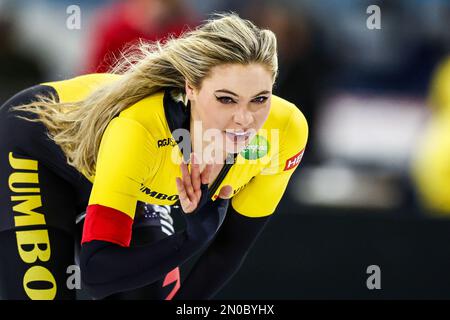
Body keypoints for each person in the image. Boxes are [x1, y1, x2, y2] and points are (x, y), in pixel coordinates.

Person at [0, 13, 308, 300]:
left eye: (259, 99)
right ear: (191, 89)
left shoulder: (284, 132)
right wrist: (190, 240)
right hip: (39, 150)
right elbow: (98, 273)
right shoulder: (141, 131)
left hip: (128, 174)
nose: (244, 119)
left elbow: (228, 251)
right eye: (226, 99)